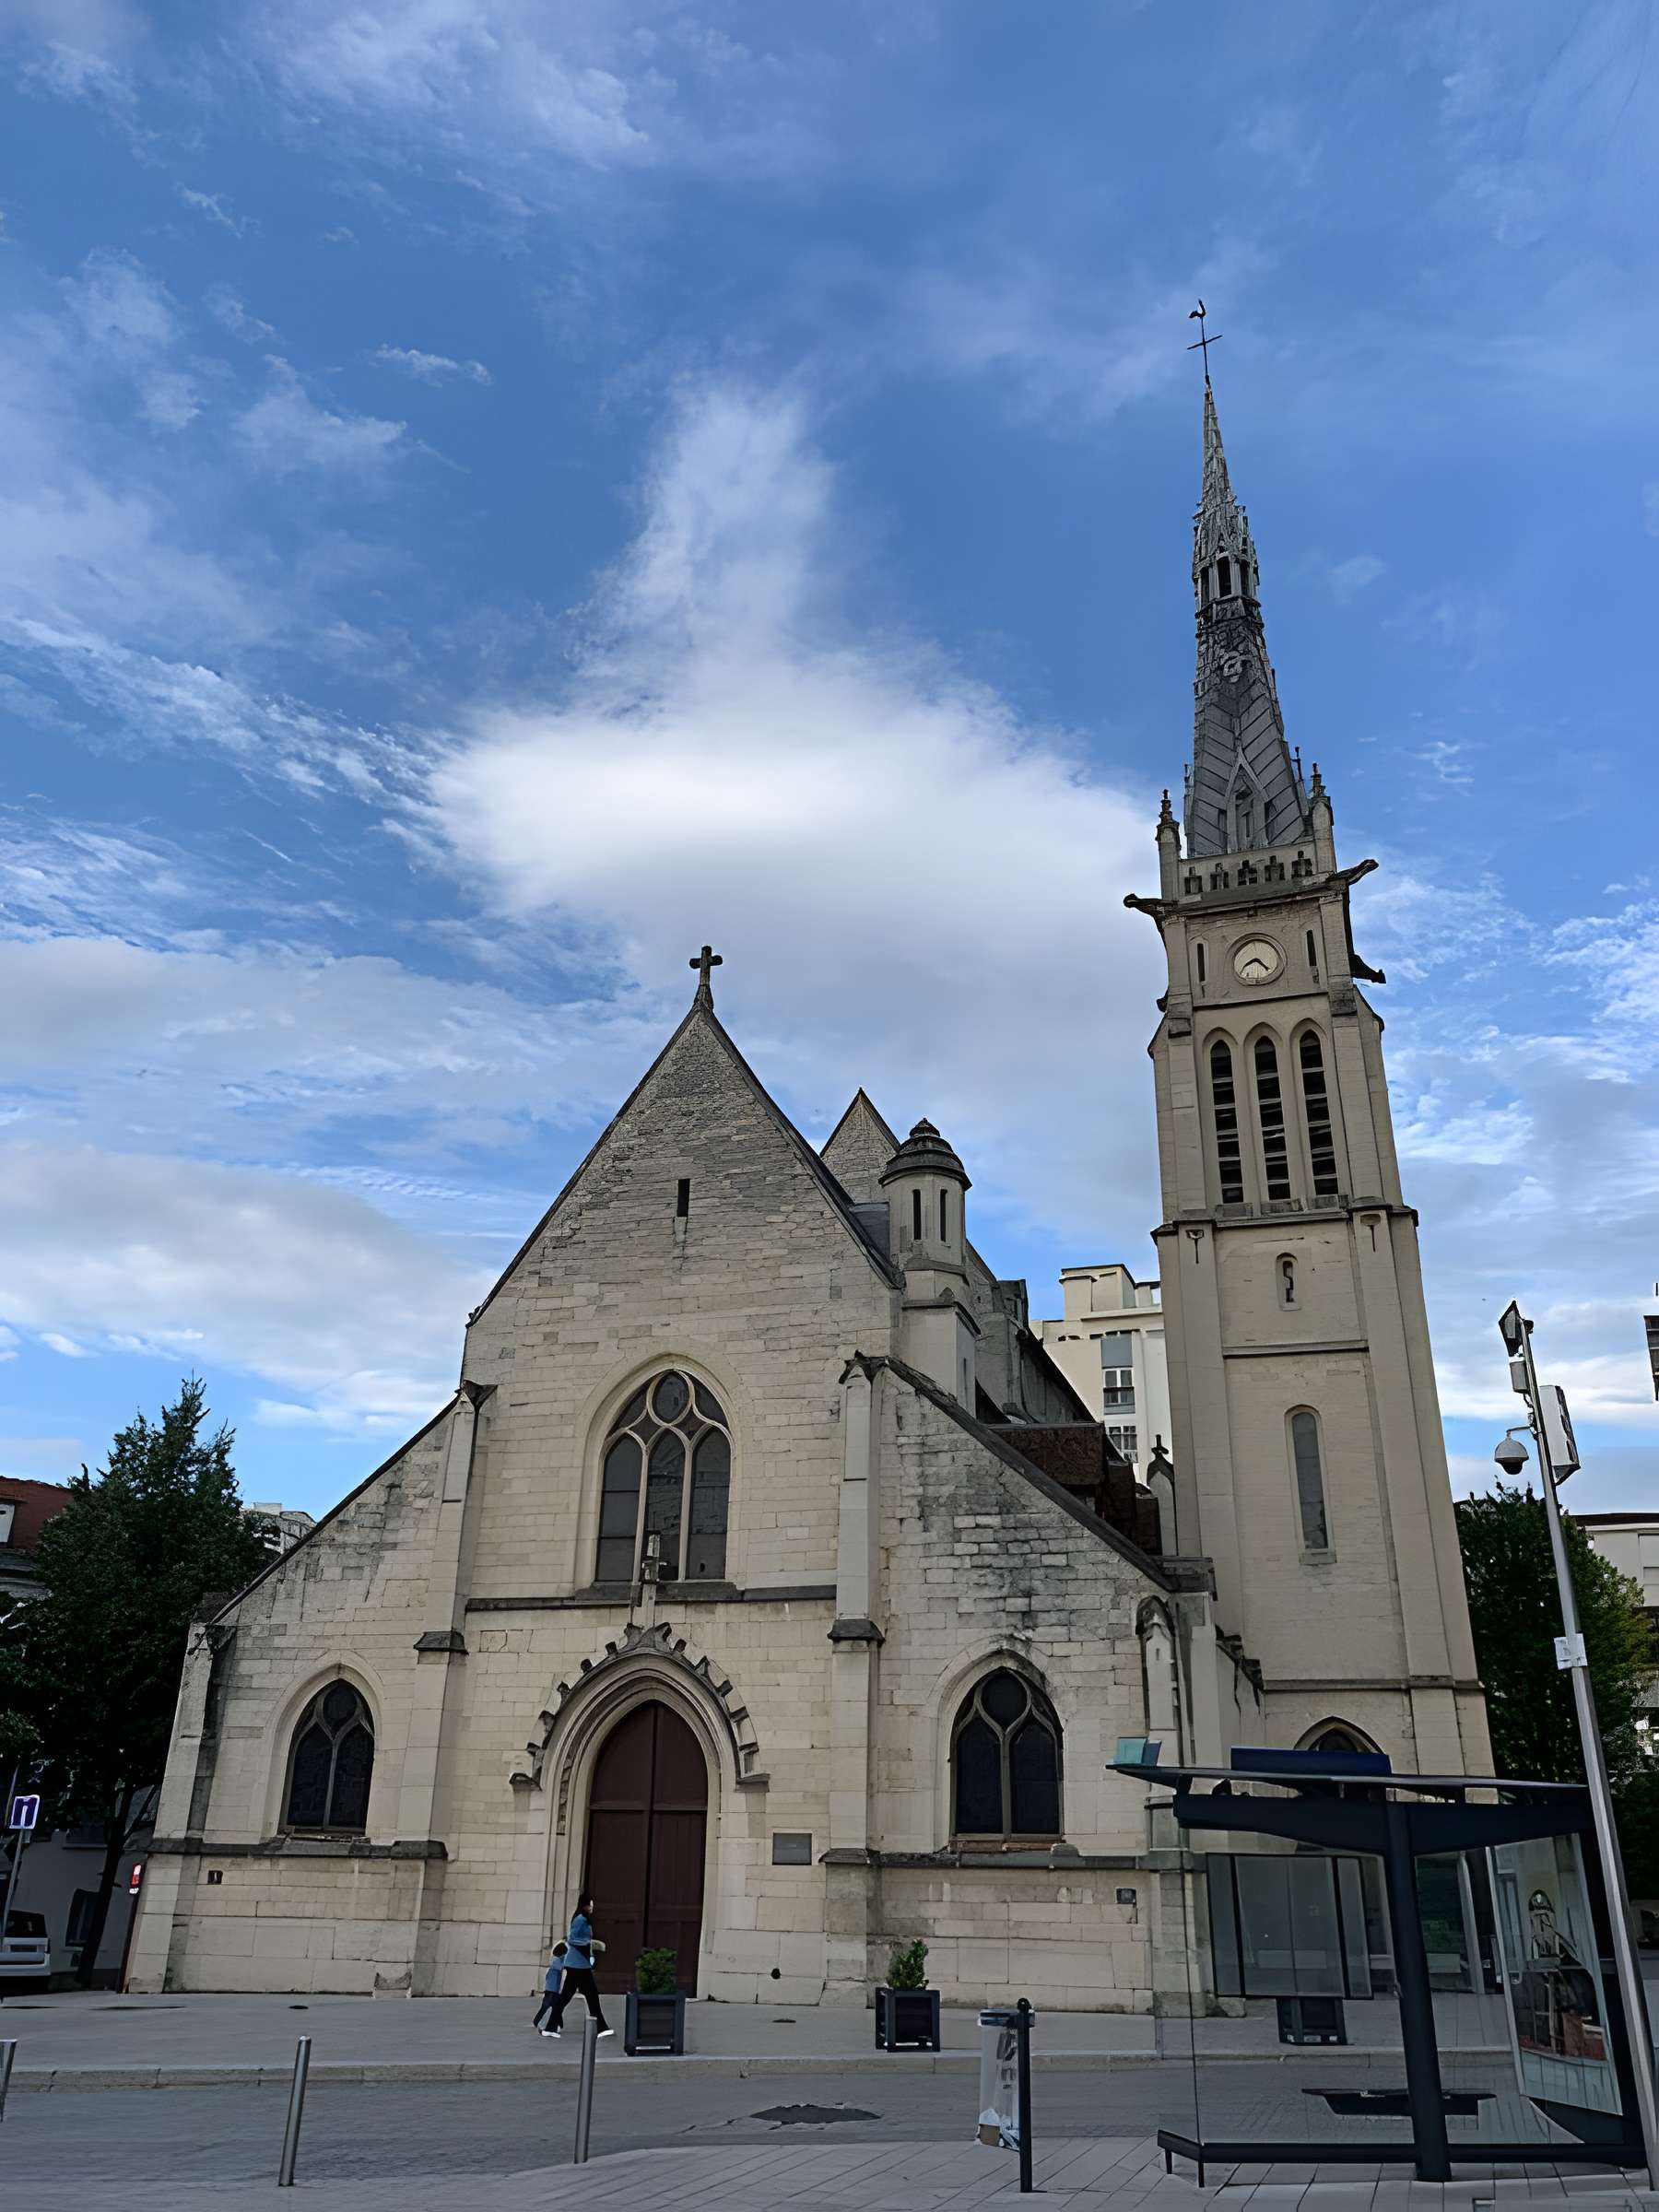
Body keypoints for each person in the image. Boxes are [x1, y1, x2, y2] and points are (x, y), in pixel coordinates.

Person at [538, 1896, 613, 2038]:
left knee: (575, 1996)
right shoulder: (580, 1919)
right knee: (590, 1996)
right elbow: (572, 1938)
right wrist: (588, 1943)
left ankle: (552, 2026)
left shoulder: (583, 1918)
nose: (591, 1907)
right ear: (584, 1905)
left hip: (578, 1964)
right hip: (578, 1965)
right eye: (589, 1905)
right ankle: (600, 2027)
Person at [530, 1939, 567, 2032]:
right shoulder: (556, 1960)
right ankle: (536, 2021)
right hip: (551, 1989)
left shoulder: (557, 1960)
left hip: (554, 1988)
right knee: (546, 2006)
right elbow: (561, 1967)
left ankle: (559, 2024)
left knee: (555, 2007)